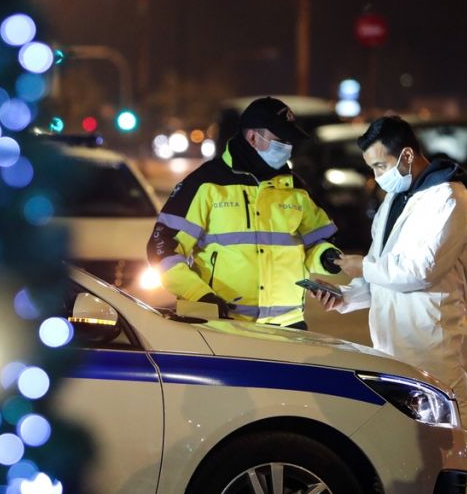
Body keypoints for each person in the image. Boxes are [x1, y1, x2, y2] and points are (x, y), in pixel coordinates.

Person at [312, 115, 467, 494]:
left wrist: (360, 268)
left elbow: (419, 270)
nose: (376, 176)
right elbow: (385, 272)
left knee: (454, 441)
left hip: (434, 339)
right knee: (407, 444)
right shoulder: (398, 197)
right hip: (395, 343)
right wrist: (345, 297)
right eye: (371, 168)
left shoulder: (450, 200)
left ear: (407, 155)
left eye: (380, 165)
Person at [146, 96, 342, 329]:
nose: (287, 147)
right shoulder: (206, 184)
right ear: (252, 137)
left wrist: (326, 257)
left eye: (290, 140)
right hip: (225, 327)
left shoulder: (295, 188)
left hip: (289, 327)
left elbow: (318, 242)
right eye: (280, 140)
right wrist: (199, 296)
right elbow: (162, 248)